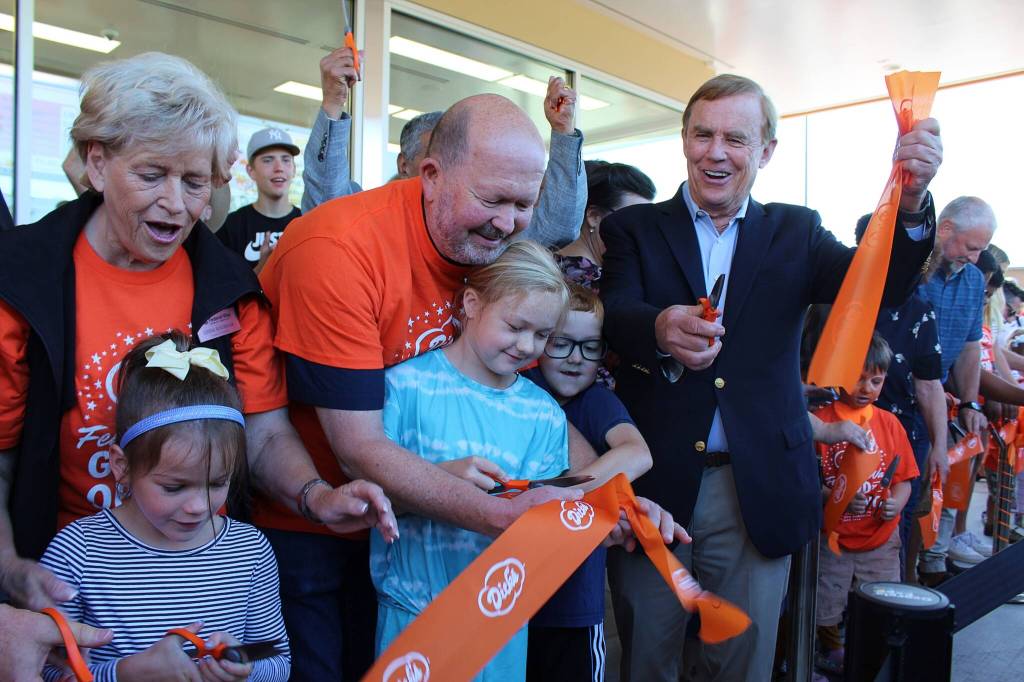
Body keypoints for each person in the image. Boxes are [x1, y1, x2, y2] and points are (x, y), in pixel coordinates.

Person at [0, 52, 392, 614]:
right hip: (70, 582)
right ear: (96, 162)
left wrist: (316, 496)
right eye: (152, 175)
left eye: (195, 182)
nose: (176, 204)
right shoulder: (21, 284)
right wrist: (10, 567)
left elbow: (264, 432)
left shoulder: (227, 288)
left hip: (205, 579)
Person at [599, 73, 942, 681]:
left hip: (754, 492)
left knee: (742, 665)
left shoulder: (797, 231)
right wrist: (658, 327)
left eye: (736, 137)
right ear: (683, 140)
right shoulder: (635, 229)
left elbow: (876, 285)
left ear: (766, 150)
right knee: (645, 660)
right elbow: (616, 315)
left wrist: (909, 203)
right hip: (655, 487)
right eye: (703, 134)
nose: (716, 151)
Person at [373, 240, 577, 681]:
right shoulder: (405, 387)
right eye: (516, 326)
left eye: (542, 335)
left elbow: (543, 532)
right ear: (471, 303)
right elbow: (367, 505)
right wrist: (436, 483)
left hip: (498, 625)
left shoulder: (543, 414)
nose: (528, 346)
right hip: (413, 616)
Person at [39, 333, 293, 681]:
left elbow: (278, 660)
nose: (198, 507)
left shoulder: (249, 551)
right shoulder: (79, 552)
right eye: (174, 486)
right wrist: (128, 673)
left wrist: (244, 670)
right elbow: (43, 669)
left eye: (218, 483)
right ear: (121, 466)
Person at [524, 284, 654, 682]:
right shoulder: (520, 390)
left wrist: (556, 491)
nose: (575, 359)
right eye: (561, 343)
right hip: (512, 592)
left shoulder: (596, 402)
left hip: (573, 600)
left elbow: (638, 453)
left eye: (590, 347)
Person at [811, 333, 918, 680]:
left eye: (876, 380)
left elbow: (904, 477)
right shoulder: (821, 422)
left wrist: (897, 504)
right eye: (858, 377)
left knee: (880, 603)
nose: (867, 387)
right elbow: (810, 481)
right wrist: (834, 496)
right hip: (834, 539)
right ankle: (831, 648)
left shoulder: (890, 424)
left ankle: (871, 653)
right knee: (825, 603)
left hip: (880, 537)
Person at [374, 76, 586, 247]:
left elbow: (558, 226)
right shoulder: (374, 233)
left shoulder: (496, 234)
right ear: (430, 172)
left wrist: (563, 130)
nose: (505, 223)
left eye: (522, 204)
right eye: (491, 200)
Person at [916, 196, 997, 585]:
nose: (977, 257)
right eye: (971, 247)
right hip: (893, 398)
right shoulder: (911, 269)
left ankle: (923, 569)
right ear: (945, 229)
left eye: (981, 248)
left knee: (932, 488)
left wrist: (969, 401)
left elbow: (968, 347)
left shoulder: (975, 280)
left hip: (938, 400)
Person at [556, 160, 656, 290]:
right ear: (594, 216)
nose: (640, 234)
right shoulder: (596, 286)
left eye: (645, 225)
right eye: (631, 221)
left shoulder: (543, 265)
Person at [217, 128, 303, 272]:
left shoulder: (305, 223)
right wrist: (261, 269)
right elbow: (222, 288)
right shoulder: (230, 227)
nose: (279, 168)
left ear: (294, 169)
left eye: (286, 160)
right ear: (251, 171)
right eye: (268, 160)